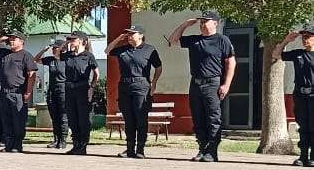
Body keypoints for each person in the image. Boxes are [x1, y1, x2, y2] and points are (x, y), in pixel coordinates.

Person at [167, 11, 236, 162]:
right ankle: (202, 149)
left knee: (213, 118)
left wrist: (226, 84)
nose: (202, 24)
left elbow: (231, 62)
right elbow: (172, 41)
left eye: (206, 21)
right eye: (201, 21)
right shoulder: (194, 40)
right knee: (198, 118)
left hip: (213, 83)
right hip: (196, 83)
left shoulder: (222, 40)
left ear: (215, 23)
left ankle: (212, 152)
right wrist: (185, 24)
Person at [108, 25, 163, 160]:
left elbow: (158, 66)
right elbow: (107, 51)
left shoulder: (149, 50)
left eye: (132, 34)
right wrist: (119, 39)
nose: (129, 36)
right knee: (129, 119)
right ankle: (130, 149)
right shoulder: (123, 49)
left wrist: (154, 82)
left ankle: (140, 149)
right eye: (128, 34)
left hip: (141, 85)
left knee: (141, 118)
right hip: (125, 86)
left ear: (141, 35)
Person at [0, 29, 37, 152]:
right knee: (6, 120)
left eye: (14, 39)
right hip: (4, 92)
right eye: (10, 38)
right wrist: (0, 40)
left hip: (18, 93)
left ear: (21, 41)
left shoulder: (26, 55)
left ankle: (17, 145)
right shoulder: (4, 53)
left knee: (18, 120)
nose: (11, 40)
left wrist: (28, 92)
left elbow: (32, 75)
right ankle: (8, 144)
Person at [274, 23, 314, 168]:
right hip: (300, 94)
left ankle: (313, 157)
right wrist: (286, 41)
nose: (305, 40)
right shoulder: (298, 54)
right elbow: (276, 55)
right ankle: (303, 156)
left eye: (308, 37)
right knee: (303, 126)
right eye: (303, 37)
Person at [62, 32, 99, 155]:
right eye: (70, 39)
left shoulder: (88, 56)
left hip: (82, 88)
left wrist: (92, 88)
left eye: (74, 39)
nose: (71, 41)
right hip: (69, 89)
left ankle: (83, 145)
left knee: (83, 119)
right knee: (72, 118)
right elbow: (57, 55)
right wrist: (66, 43)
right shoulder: (68, 55)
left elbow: (97, 74)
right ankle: (75, 144)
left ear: (82, 41)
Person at [33, 40, 69, 150]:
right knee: (54, 116)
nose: (53, 50)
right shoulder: (50, 60)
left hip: (63, 90)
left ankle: (63, 140)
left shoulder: (66, 59)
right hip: (52, 90)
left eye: (55, 48)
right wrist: (44, 50)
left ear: (61, 49)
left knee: (63, 116)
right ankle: (56, 139)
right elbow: (35, 60)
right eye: (53, 48)